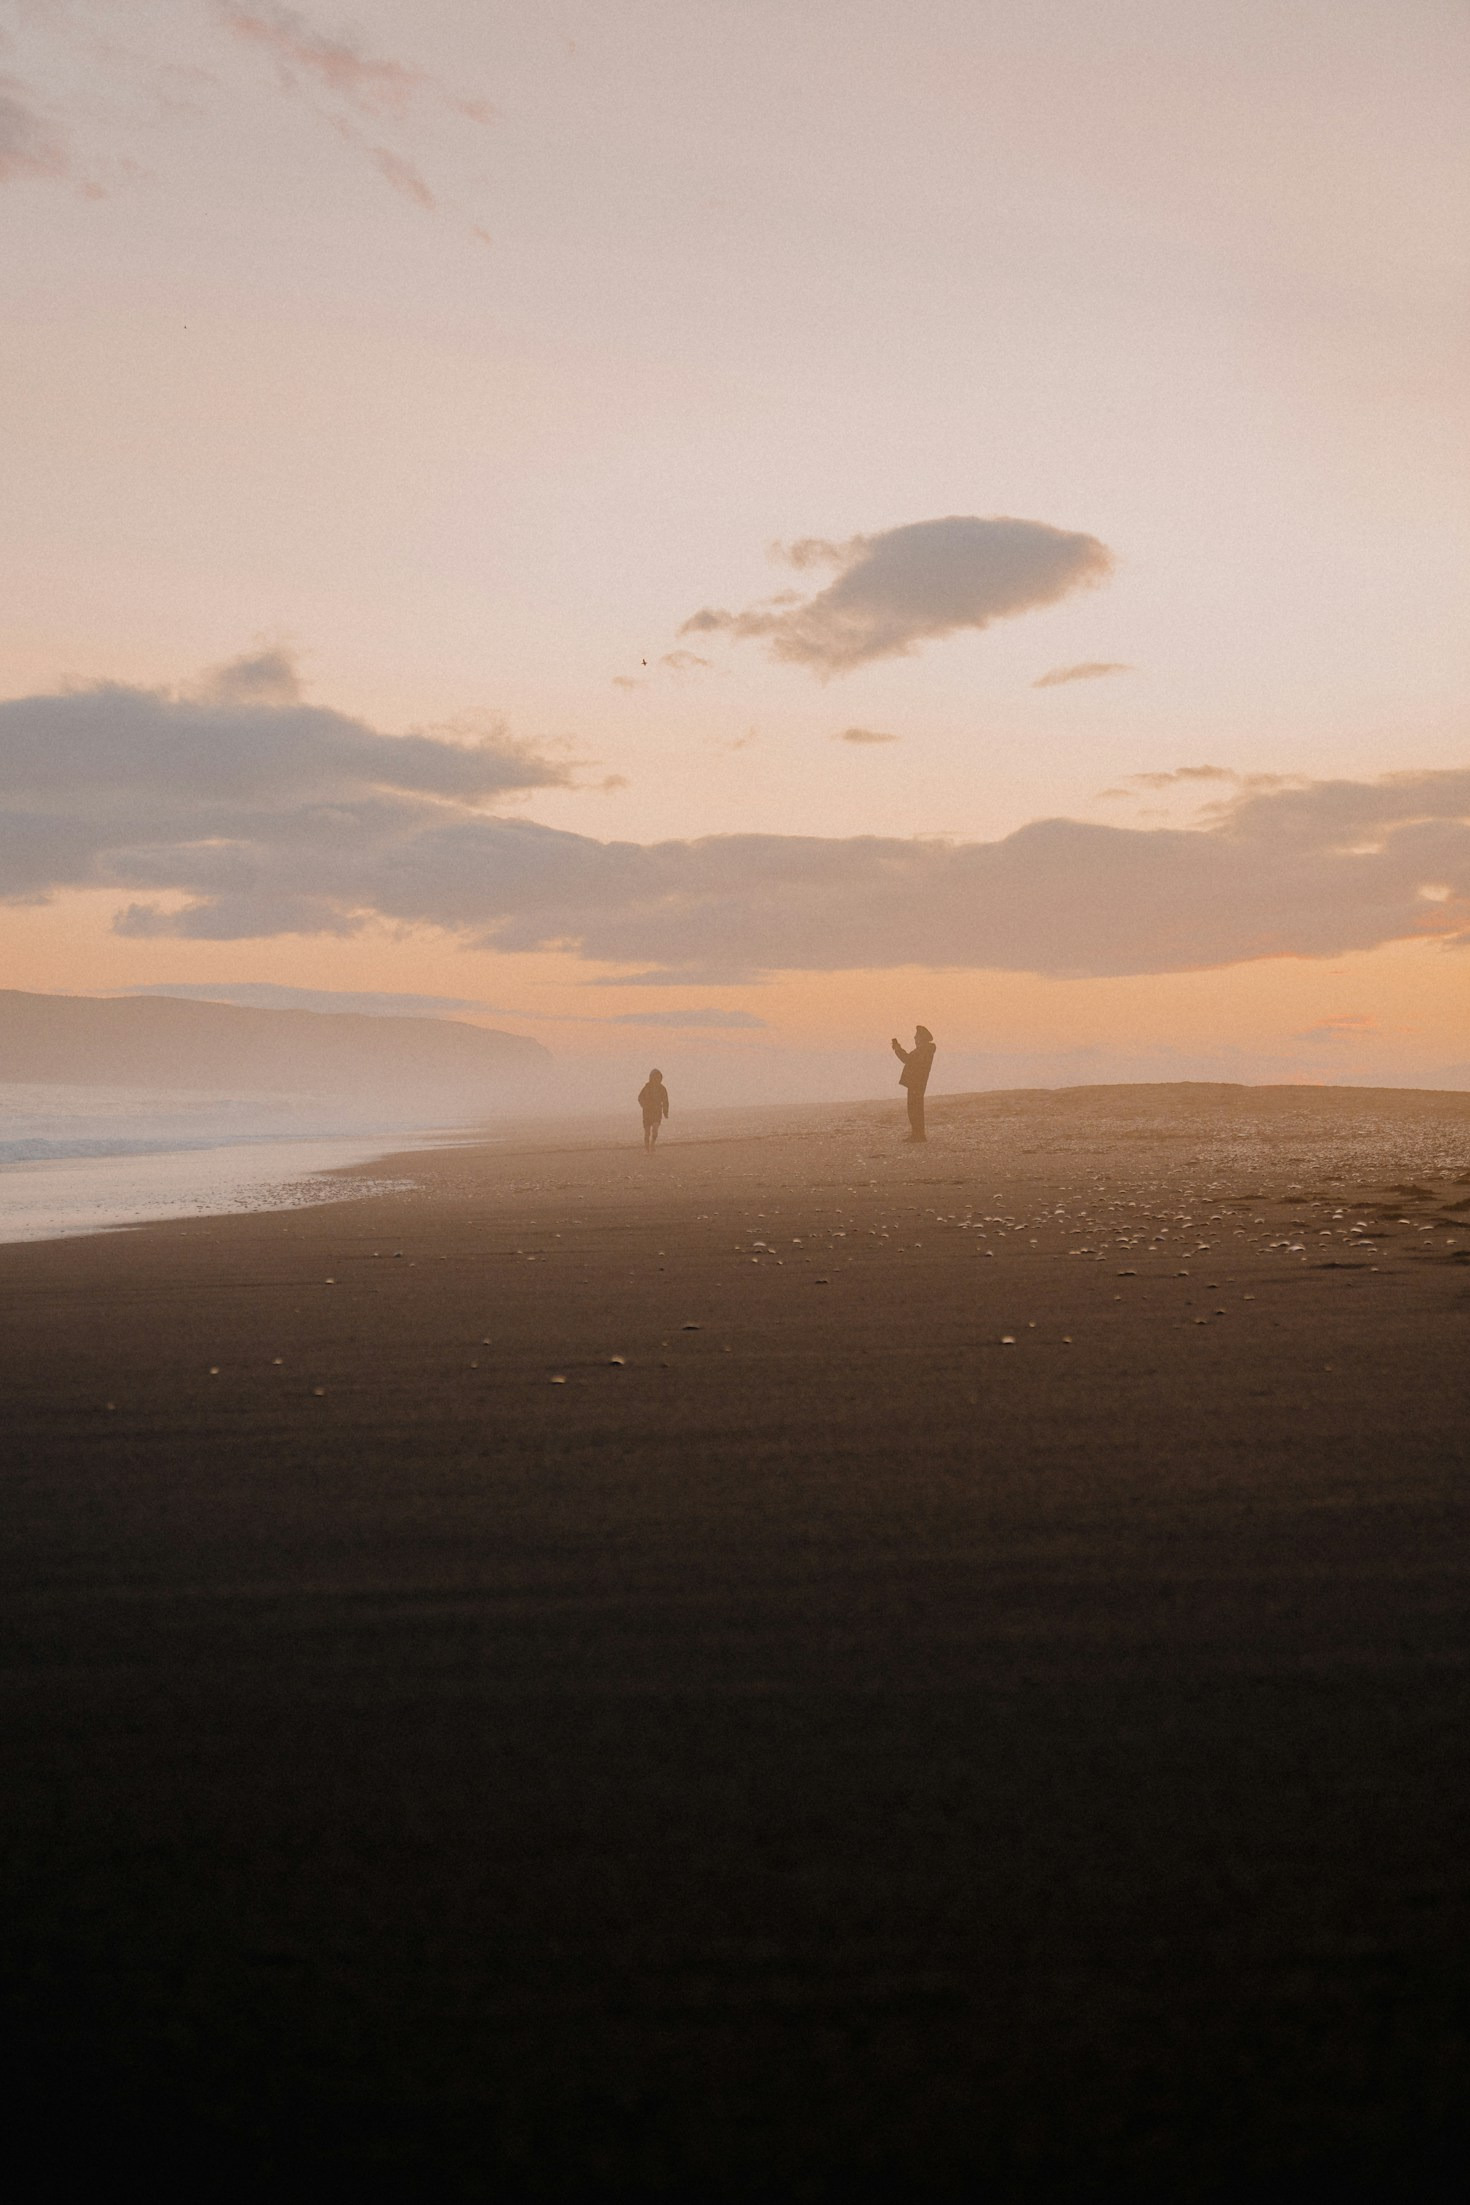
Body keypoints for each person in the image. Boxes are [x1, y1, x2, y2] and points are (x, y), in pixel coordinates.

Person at [891, 1025, 935, 1142]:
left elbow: (907, 1059)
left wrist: (897, 1048)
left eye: (916, 1037)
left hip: (916, 1083)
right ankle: (917, 1134)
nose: (914, 1039)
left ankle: (918, 1135)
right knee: (915, 1109)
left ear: (921, 1038)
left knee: (914, 1109)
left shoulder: (923, 1050)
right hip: (916, 1083)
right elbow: (910, 1059)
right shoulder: (925, 1050)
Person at [638, 1068, 670, 1152]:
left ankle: (652, 1144)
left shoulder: (662, 1089)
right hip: (647, 1113)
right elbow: (640, 1097)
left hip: (657, 1112)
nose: (657, 1079)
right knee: (647, 1133)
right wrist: (644, 1105)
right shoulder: (646, 1088)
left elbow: (665, 1101)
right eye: (655, 1077)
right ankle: (646, 1149)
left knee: (655, 1131)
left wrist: (665, 1112)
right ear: (651, 1078)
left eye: (658, 1077)